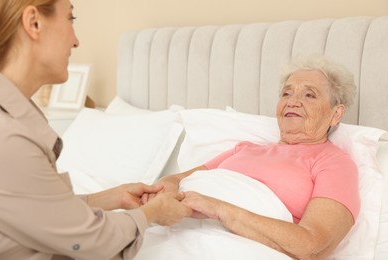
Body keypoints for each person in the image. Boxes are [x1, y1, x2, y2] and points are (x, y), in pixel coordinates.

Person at [0, 1, 192, 259]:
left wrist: (115, 197)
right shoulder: (10, 139)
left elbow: (41, 211)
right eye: (70, 18)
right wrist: (153, 213)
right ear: (34, 23)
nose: (76, 41)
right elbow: (89, 240)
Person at [144, 55, 359, 259]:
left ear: (336, 113)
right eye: (286, 93)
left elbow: (312, 247)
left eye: (309, 94)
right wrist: (162, 191)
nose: (292, 101)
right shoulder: (245, 149)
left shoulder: (335, 162)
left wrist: (219, 209)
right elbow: (177, 180)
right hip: (180, 228)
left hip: (234, 247)